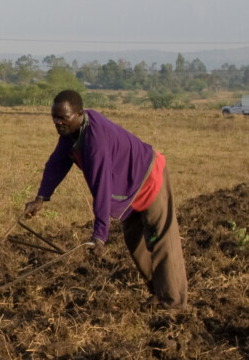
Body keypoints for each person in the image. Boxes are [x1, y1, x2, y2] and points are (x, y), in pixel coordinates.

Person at [23, 89, 187, 309]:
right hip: (128, 190)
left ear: (79, 114)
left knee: (161, 241)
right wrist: (41, 198)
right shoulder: (71, 134)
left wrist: (100, 234)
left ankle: (175, 305)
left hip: (148, 178)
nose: (57, 123)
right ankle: (159, 292)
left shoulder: (95, 139)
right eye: (55, 117)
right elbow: (57, 163)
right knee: (135, 242)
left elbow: (102, 185)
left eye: (63, 118)